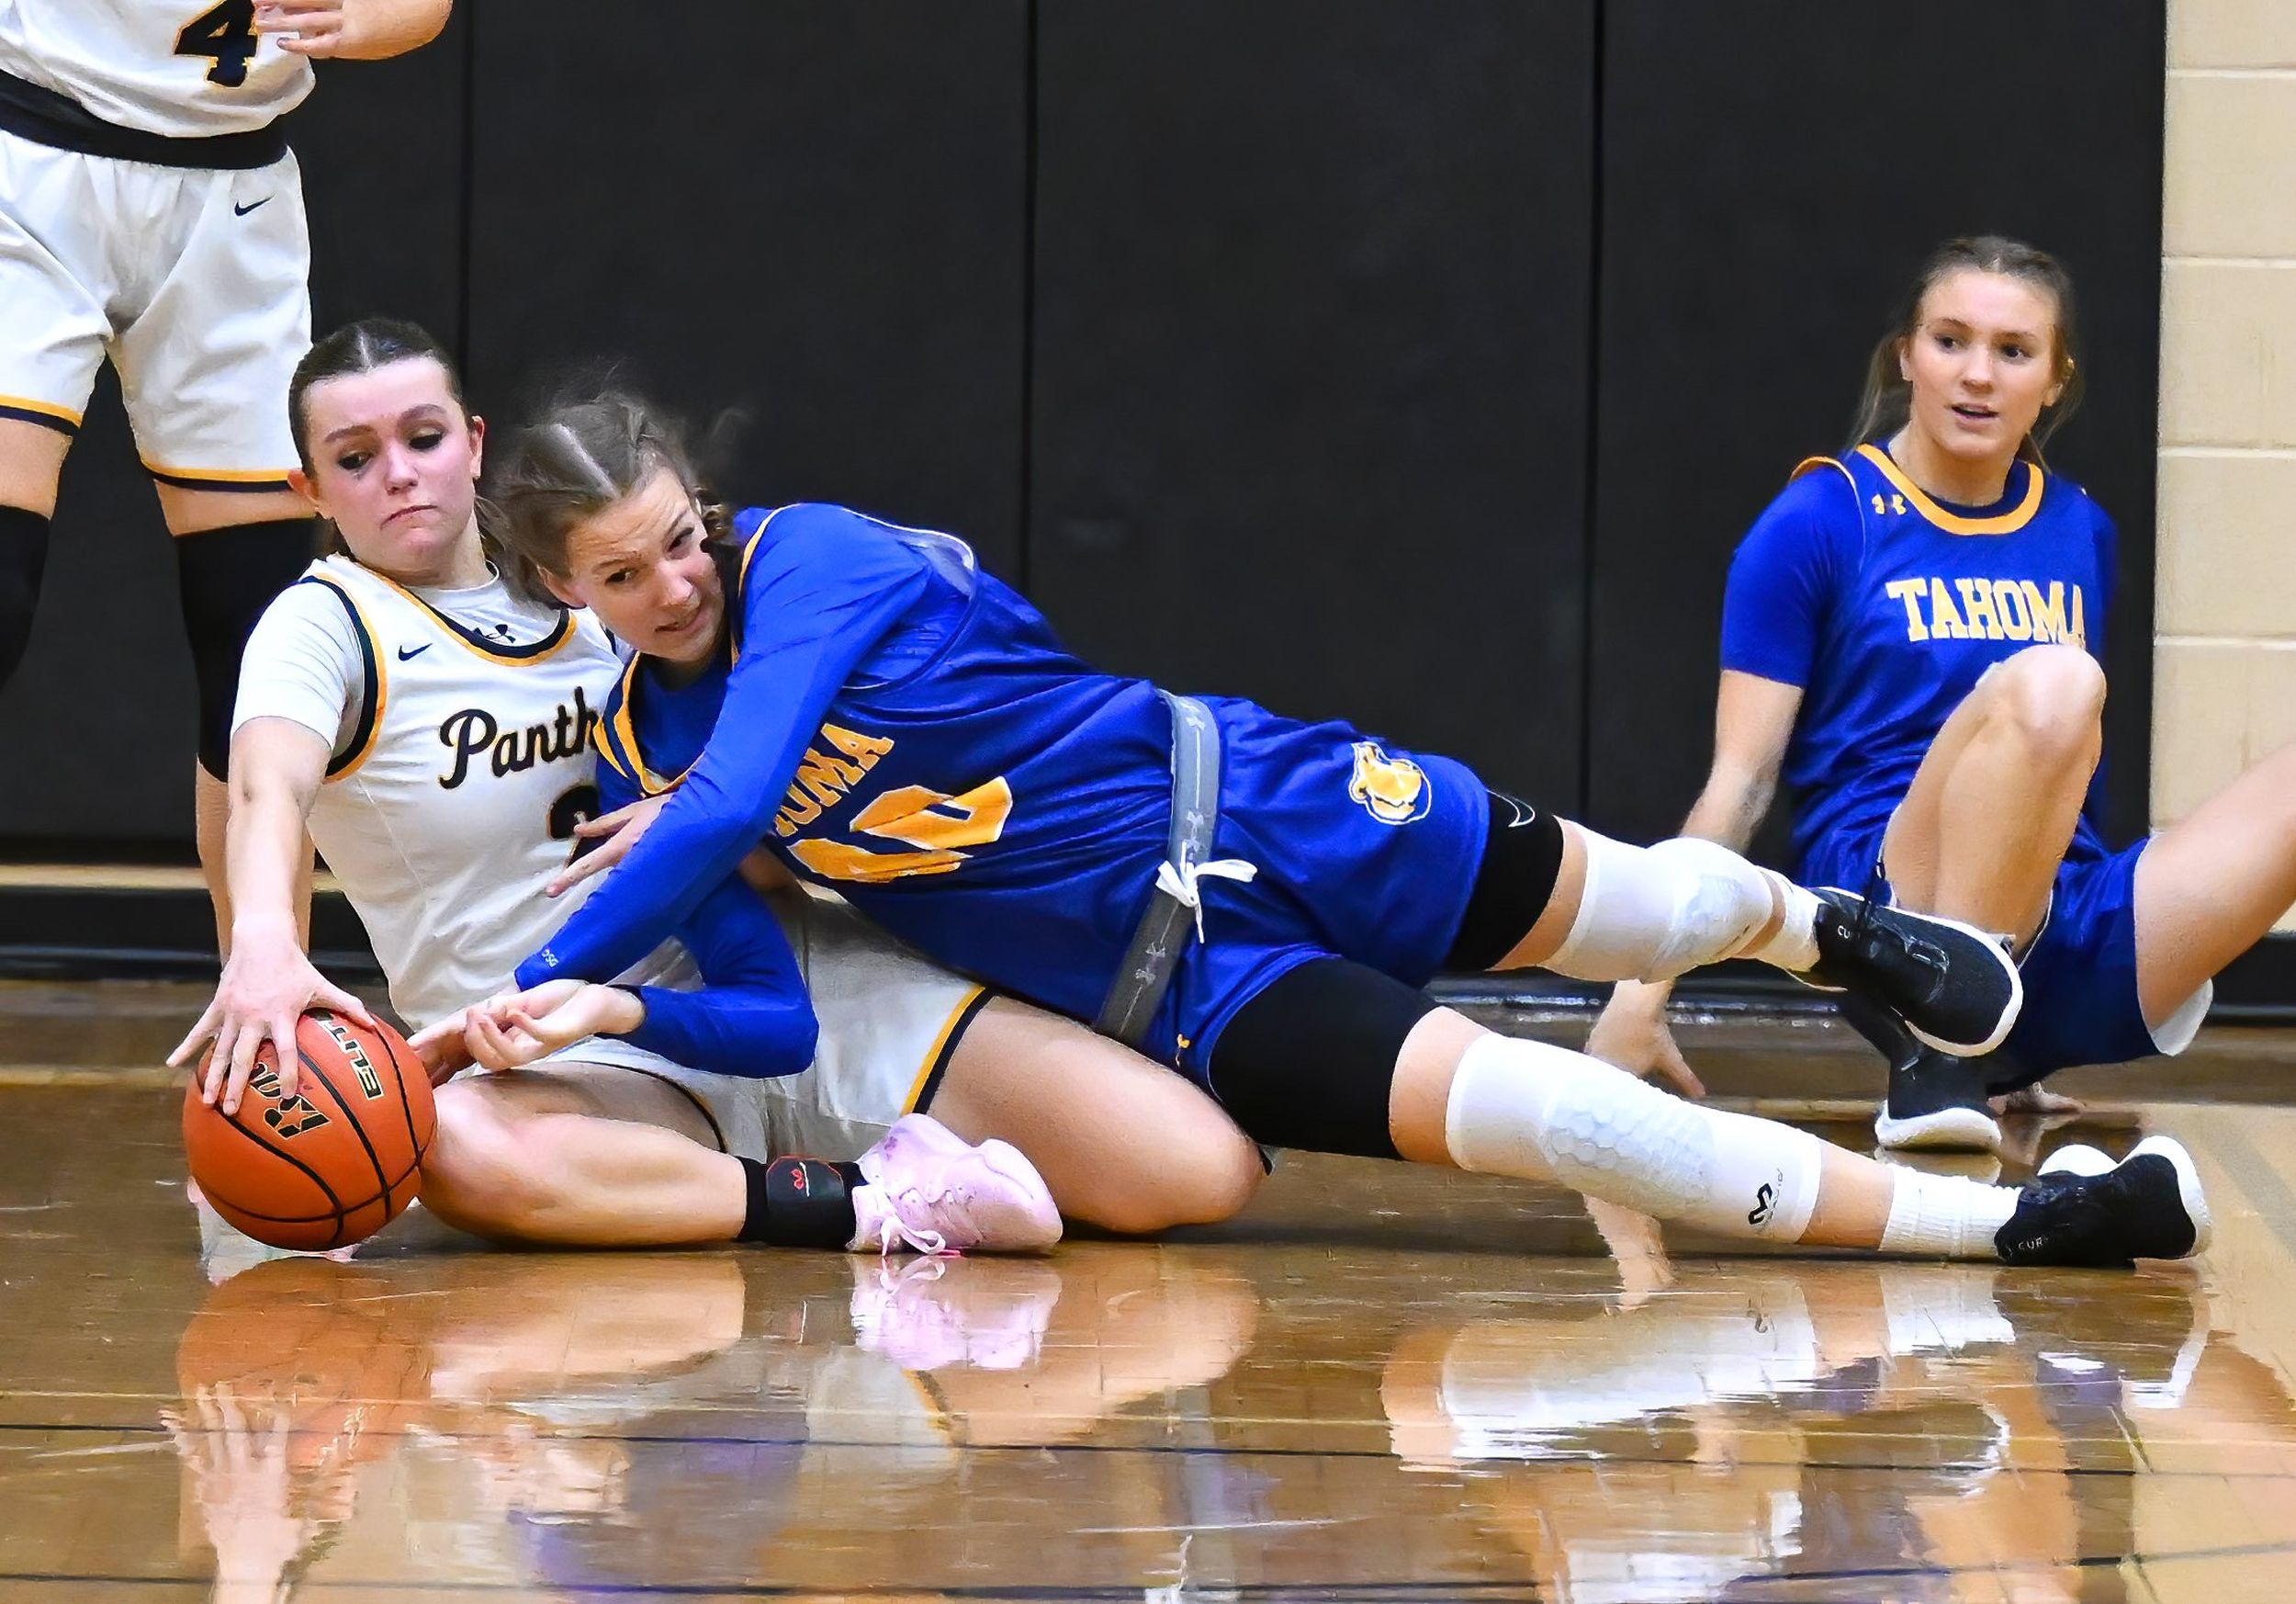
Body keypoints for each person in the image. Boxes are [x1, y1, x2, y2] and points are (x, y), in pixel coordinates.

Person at [474, 386, 2209, 1271]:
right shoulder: (644, 741)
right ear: (561, 595)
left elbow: (736, 796)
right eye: (624, 574)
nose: (677, 581)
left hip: (1259, 795)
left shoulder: (810, 557)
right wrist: (606, 1005)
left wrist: (537, 971)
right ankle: (2008, 1231)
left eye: (681, 534)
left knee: (1626, 911)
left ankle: (1828, 932)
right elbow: (768, 996)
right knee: (1551, 1118)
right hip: (1174, 987)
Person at [169, 317, 1266, 1258]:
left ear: (475, 442)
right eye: (355, 458)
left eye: (423, 437)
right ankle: (873, 1204)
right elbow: (266, 790)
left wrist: (705, 807)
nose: (401, 474)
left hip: (775, 981)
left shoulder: (619, 585)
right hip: (560, 1051)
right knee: (452, 1144)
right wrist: (261, 941)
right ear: (309, 490)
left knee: (1193, 1171)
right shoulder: (324, 624)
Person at [1590, 236, 2294, 1153]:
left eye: (2014, 350)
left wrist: (2028, 1027)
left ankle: (1995, 1034)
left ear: (2054, 380)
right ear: (1906, 358)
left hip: (2056, 923)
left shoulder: (2080, 527)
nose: (1978, 375)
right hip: (1888, 916)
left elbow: (2070, 773)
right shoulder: (1819, 518)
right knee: (2058, 679)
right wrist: (1638, 995)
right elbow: (1741, 782)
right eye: (1950, 340)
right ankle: (1941, 1041)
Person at [0, 1, 456, 943]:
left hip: (233, 195)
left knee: (261, 662)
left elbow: (421, 7)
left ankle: (267, 995)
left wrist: (370, 19)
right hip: (29, 151)